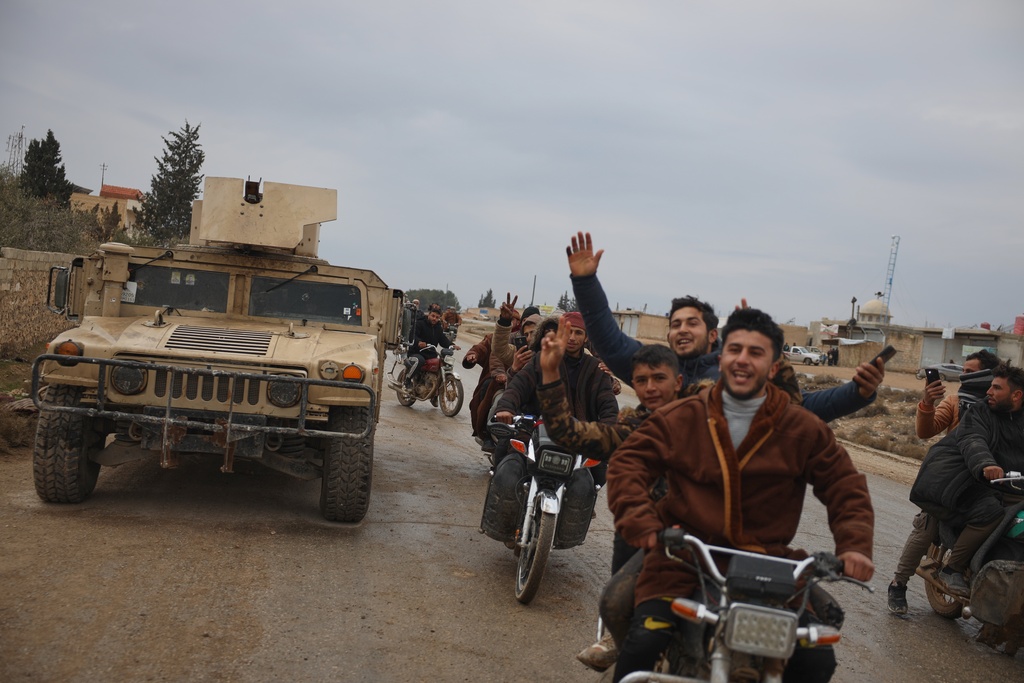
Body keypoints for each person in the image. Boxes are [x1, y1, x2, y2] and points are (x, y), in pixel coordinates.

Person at [606, 308, 874, 682]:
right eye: (735, 350)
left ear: (774, 366)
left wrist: (854, 545)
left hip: (767, 565)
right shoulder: (683, 415)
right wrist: (641, 520)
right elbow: (629, 464)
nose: (742, 360)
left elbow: (844, 484)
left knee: (816, 662)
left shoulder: (802, 428)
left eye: (755, 352)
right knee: (643, 640)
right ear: (721, 357)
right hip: (684, 558)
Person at [565, 231, 885, 423]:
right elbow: (609, 340)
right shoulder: (656, 369)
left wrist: (857, 392)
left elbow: (802, 407)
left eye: (692, 323)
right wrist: (586, 282)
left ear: (712, 334)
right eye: (675, 324)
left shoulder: (738, 373)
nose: (682, 329)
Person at [536, 324, 683, 670]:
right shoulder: (632, 430)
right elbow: (567, 432)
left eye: (659, 379)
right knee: (616, 602)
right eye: (642, 380)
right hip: (654, 536)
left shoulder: (710, 421)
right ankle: (619, 642)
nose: (650, 387)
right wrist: (550, 373)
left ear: (678, 382)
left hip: (710, 536)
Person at [886, 351, 1001, 614]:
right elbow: (925, 431)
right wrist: (927, 403)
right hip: (953, 479)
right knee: (927, 526)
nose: (964, 376)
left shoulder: (1001, 406)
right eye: (964, 371)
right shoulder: (956, 401)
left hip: (993, 482)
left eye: (971, 372)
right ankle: (898, 584)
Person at [909, 362, 1024, 597]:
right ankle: (950, 569)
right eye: (990, 386)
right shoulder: (980, 412)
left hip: (1014, 486)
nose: (989, 391)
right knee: (987, 514)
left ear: (1017, 395)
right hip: (971, 481)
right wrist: (986, 464)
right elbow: (973, 440)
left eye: (996, 388)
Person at [405, 303, 460, 390]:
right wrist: (419, 342)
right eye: (433, 316)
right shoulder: (420, 323)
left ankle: (434, 389)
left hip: (430, 354)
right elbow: (412, 336)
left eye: (437, 317)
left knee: (440, 363)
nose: (434, 318)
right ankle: (407, 380)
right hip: (416, 352)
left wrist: (452, 345)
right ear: (429, 315)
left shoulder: (438, 328)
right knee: (420, 360)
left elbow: (443, 340)